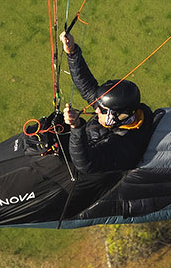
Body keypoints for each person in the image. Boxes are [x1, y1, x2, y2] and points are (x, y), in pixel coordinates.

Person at [58, 29, 154, 174]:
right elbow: (88, 88)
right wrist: (72, 53)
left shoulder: (125, 146)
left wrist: (76, 128)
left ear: (118, 116)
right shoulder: (122, 113)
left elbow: (85, 164)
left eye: (102, 110)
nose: (97, 110)